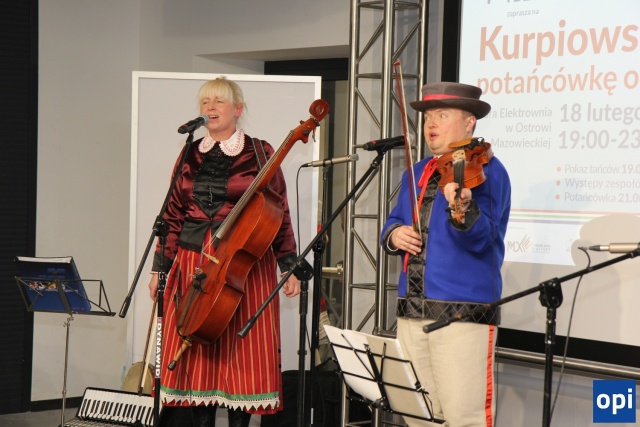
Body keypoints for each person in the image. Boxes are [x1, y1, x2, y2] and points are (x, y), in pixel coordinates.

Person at [148, 77, 308, 427]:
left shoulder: (260, 151)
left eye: (219, 101)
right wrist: (160, 267)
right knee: (198, 349)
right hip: (194, 260)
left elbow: (278, 211)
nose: (210, 107)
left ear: (238, 110)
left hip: (244, 262)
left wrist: (289, 265)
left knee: (242, 351)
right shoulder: (190, 152)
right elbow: (173, 214)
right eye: (205, 102)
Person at [380, 82, 511, 427]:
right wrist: (394, 234)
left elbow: (484, 239)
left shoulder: (489, 171)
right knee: (418, 415)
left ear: (469, 122)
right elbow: (394, 220)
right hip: (412, 310)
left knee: (464, 417)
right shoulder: (416, 171)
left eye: (441, 115)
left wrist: (465, 210)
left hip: (461, 316)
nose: (431, 124)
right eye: (427, 117)